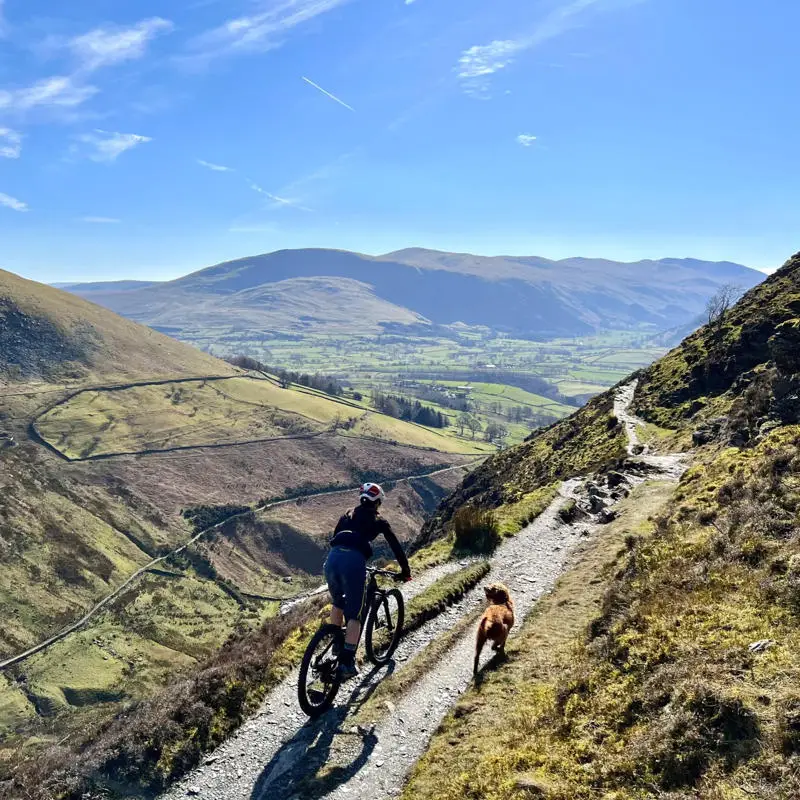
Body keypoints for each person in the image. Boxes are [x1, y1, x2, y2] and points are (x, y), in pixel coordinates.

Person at [324, 482, 411, 678]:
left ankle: (337, 643)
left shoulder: (347, 513)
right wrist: (405, 571)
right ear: (377, 502)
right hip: (353, 562)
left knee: (338, 603)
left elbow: (335, 536)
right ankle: (346, 663)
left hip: (332, 559)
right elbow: (396, 547)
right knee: (355, 614)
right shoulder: (378, 520)